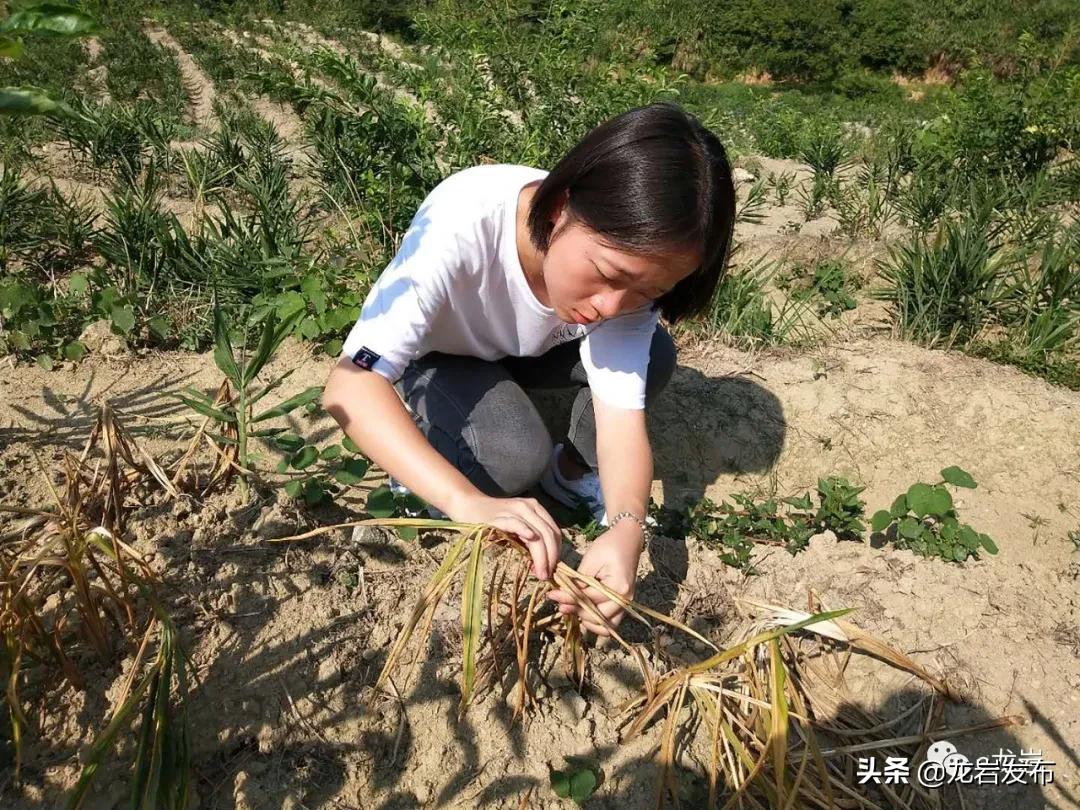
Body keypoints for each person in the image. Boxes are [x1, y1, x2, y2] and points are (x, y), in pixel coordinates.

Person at [323, 101, 735, 635]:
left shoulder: (624, 287)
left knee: (653, 353)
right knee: (512, 457)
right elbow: (348, 388)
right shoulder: (465, 220)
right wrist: (463, 500)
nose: (612, 306)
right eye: (608, 273)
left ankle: (568, 476)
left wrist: (627, 530)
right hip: (446, 353)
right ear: (561, 206)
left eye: (648, 291)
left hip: (530, 349)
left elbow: (620, 424)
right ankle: (421, 443)